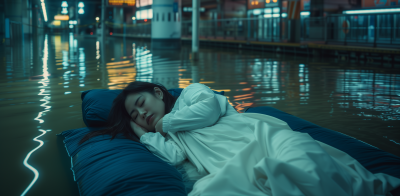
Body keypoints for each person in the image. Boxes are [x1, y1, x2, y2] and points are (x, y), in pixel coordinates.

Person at [80, 81, 400, 196]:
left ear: (157, 92)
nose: (142, 115)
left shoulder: (192, 95)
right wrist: (140, 131)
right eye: (135, 118)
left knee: (299, 162)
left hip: (262, 136)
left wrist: (162, 124)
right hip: (231, 164)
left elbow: (209, 109)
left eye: (141, 105)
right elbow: (174, 158)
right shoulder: (165, 135)